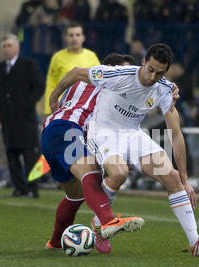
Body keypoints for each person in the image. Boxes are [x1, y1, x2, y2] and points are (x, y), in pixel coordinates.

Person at [49, 43, 199, 257]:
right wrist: (54, 97)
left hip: (133, 134)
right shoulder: (118, 74)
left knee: (171, 176)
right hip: (103, 131)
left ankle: (195, 241)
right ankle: (103, 225)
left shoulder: (165, 90)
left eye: (159, 73)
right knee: (119, 173)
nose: (152, 76)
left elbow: (176, 135)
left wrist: (186, 182)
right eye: (150, 69)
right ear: (143, 62)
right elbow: (76, 72)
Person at [42, 53, 144, 253]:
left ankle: (54, 243)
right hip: (67, 128)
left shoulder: (85, 84)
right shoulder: (105, 87)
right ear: (107, 68)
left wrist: (54, 97)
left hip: (50, 133)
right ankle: (107, 221)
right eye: (121, 71)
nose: (125, 78)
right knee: (92, 175)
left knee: (76, 195)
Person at [0, 34, 44, 198]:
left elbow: (39, 86)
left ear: (17, 47)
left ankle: (33, 188)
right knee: (11, 155)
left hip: (25, 118)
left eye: (9, 46)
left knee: (30, 155)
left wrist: (28, 104)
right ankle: (19, 187)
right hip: (8, 119)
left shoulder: (28, 64)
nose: (6, 49)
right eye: (4, 46)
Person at [43, 22, 100, 115]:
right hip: (62, 106)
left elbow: (98, 82)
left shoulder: (91, 56)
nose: (74, 38)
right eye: (71, 35)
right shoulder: (57, 57)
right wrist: (48, 108)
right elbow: (51, 83)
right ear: (65, 38)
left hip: (85, 107)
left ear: (83, 38)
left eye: (77, 35)